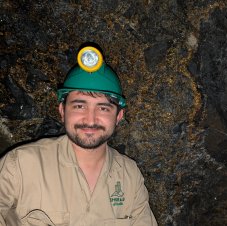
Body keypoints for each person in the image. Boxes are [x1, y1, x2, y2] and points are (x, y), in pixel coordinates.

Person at [0, 44, 158, 226]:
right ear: (62, 110)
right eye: (79, 106)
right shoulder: (20, 165)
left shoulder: (129, 176)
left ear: (118, 116)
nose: (90, 119)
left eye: (103, 108)